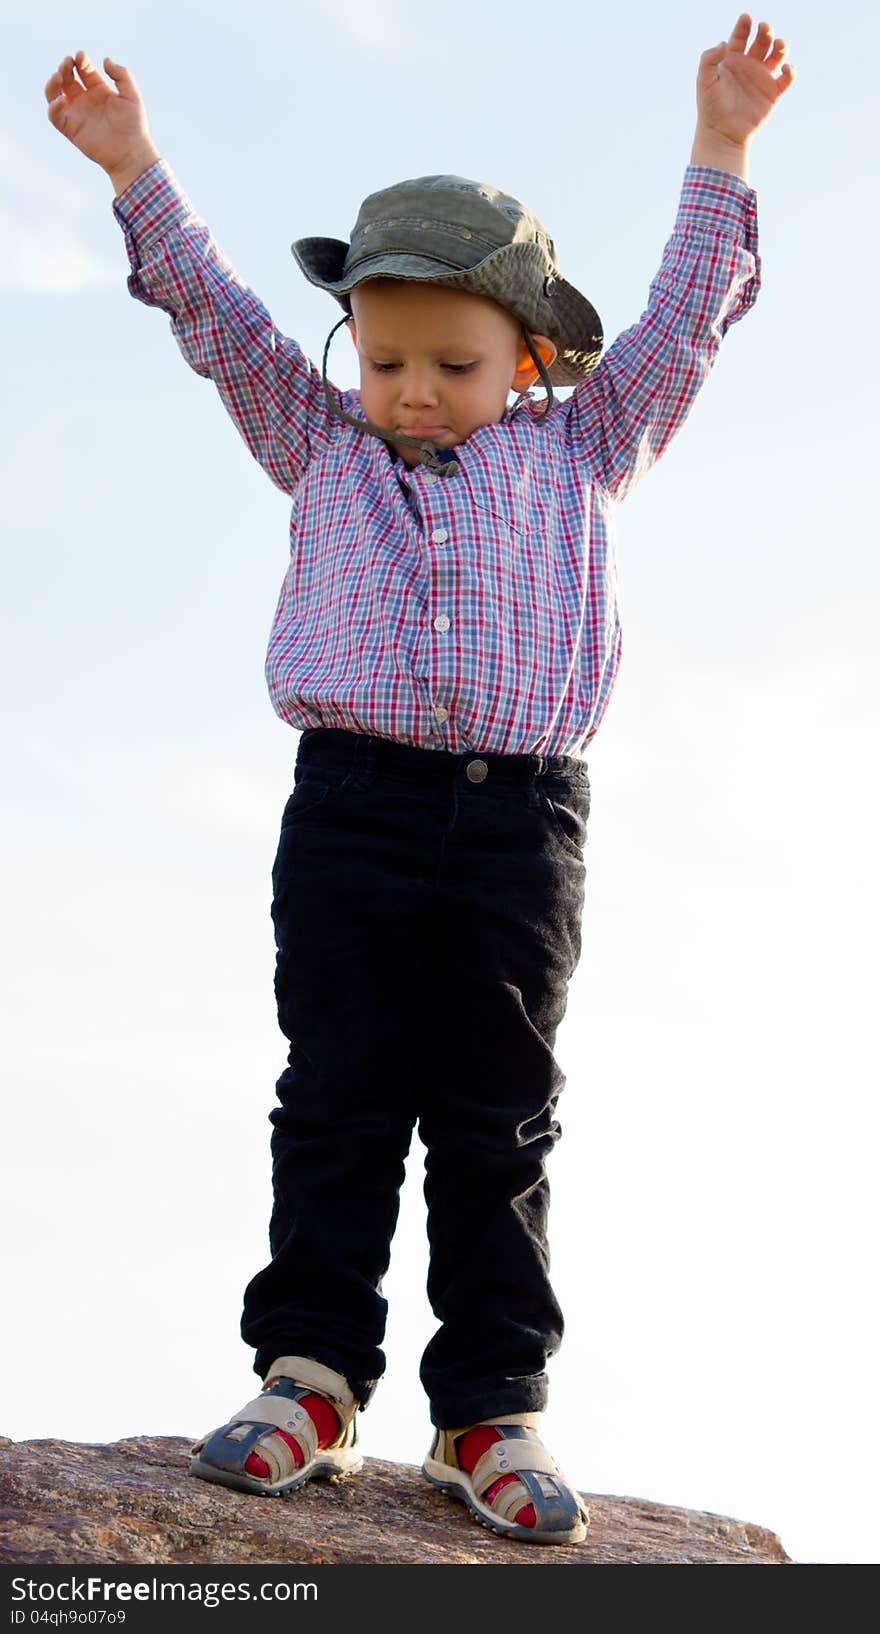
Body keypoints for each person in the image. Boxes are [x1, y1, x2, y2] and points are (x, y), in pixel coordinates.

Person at [44, 14, 795, 1547]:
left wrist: (722, 143)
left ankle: (489, 1408)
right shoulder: (318, 446)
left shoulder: (584, 449)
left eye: (451, 363)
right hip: (354, 810)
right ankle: (311, 1374)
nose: (410, 388)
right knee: (337, 1094)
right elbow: (219, 317)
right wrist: (134, 167)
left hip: (523, 824)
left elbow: (686, 322)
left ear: (527, 356)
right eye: (384, 359)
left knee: (496, 1110)